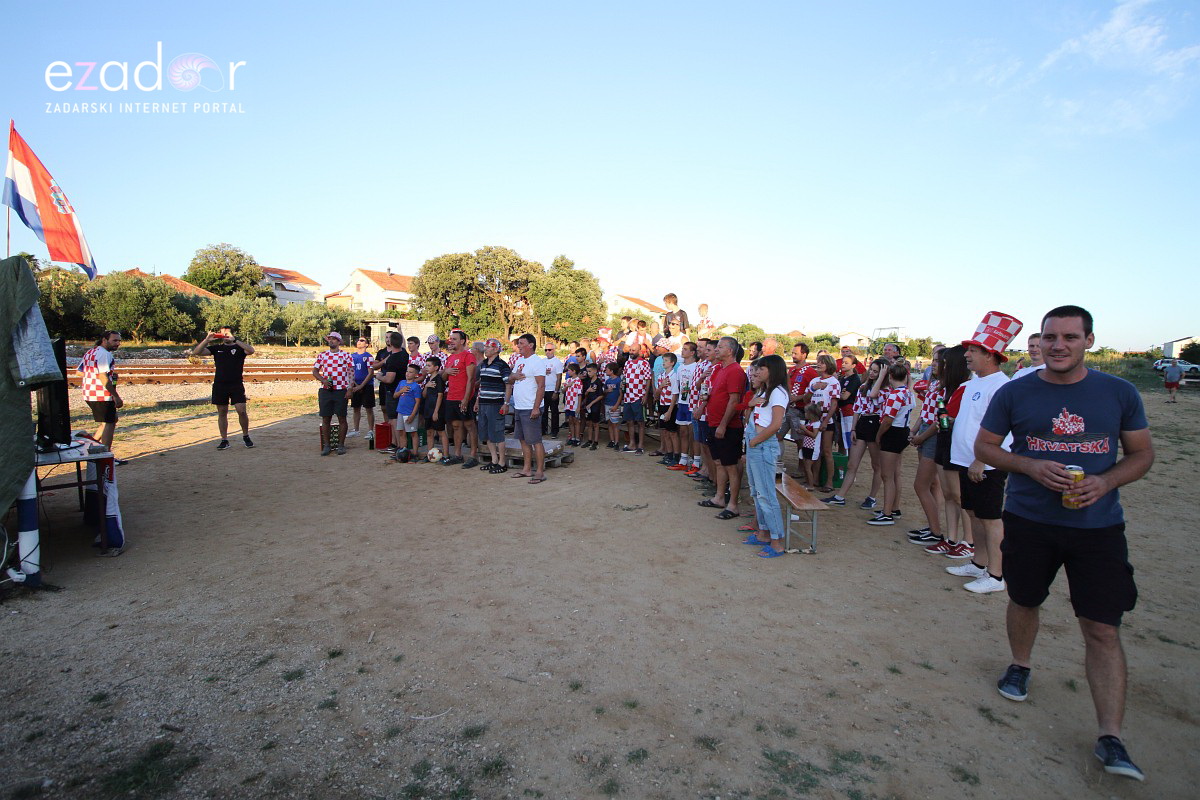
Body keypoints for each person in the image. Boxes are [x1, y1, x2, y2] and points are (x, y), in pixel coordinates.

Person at [976, 305, 1153, 781]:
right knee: (1024, 599)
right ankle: (1020, 664)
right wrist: (1030, 465)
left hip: (1098, 527)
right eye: (1050, 337)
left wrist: (1106, 481)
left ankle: (1111, 736)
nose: (1059, 346)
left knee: (1102, 627)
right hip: (1030, 520)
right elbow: (985, 447)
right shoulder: (1015, 392)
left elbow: (1142, 454)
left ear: (1088, 341)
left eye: (1070, 337)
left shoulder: (1119, 392)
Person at [948, 312, 1019, 593]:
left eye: (974, 351)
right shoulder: (973, 383)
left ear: (990, 355)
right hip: (966, 461)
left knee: (990, 519)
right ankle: (978, 563)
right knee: (974, 513)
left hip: (986, 465)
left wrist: (981, 459)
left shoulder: (1002, 386)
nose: (967, 355)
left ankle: (996, 575)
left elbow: (1005, 431)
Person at [743, 355, 789, 557]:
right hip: (756, 443)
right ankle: (763, 532)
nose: (758, 372)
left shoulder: (777, 393)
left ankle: (776, 541)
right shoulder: (764, 390)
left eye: (762, 368)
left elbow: (776, 424)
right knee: (756, 491)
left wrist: (755, 441)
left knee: (766, 494)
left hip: (762, 445)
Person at [823, 359, 885, 508]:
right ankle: (840, 496)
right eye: (871, 370)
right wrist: (853, 428)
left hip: (876, 424)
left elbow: (875, 399)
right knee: (852, 464)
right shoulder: (863, 386)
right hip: (863, 423)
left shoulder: (885, 389)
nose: (872, 373)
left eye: (876, 371)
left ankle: (872, 497)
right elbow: (857, 408)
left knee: (876, 465)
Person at [699, 336, 748, 519]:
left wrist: (723, 424)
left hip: (728, 426)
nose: (716, 349)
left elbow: (734, 400)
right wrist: (702, 407)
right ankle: (719, 497)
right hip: (713, 421)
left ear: (730, 350)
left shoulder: (735, 371)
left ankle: (733, 504)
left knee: (731, 465)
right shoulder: (719, 368)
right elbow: (710, 392)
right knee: (719, 462)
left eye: (720, 347)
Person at [193, 325, 255, 450]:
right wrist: (207, 340)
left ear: (232, 334)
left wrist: (235, 340)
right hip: (220, 385)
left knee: (241, 411)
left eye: (227, 334)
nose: (225, 336)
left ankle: (246, 436)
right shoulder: (217, 348)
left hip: (236, 384)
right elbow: (196, 352)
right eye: (222, 334)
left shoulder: (239, 347)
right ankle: (224, 440)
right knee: (222, 412)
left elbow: (251, 350)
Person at [866, 363, 913, 526]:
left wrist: (879, 435)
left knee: (887, 475)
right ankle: (894, 508)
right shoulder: (907, 393)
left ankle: (887, 513)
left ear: (890, 376)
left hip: (893, 433)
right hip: (903, 430)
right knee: (894, 474)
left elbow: (888, 420)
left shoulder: (895, 394)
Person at [506, 333, 547, 483]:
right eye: (518, 343)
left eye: (522, 343)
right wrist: (514, 376)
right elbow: (510, 379)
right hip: (519, 406)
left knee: (536, 440)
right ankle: (527, 469)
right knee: (523, 440)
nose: (519, 346)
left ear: (531, 345)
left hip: (530, 407)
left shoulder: (537, 362)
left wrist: (536, 408)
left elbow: (541, 386)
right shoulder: (519, 360)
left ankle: (540, 472)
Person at [79, 330, 124, 455]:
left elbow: (80, 372)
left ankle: (93, 445)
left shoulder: (91, 352)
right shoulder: (105, 354)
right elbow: (102, 377)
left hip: (89, 393)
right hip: (101, 394)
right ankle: (105, 455)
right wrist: (116, 396)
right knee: (109, 424)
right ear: (104, 340)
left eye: (119, 341)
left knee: (110, 420)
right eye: (114, 340)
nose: (118, 343)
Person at [313, 332, 354, 456]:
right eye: (330, 339)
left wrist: (350, 388)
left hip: (341, 390)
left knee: (342, 417)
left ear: (339, 342)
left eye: (334, 339)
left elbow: (351, 373)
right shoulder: (323, 355)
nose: (331, 341)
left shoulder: (346, 355)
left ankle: (341, 445)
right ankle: (327, 445)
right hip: (326, 390)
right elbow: (315, 371)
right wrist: (323, 380)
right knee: (326, 418)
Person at [474, 338, 511, 473]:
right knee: (487, 434)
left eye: (488, 347)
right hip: (483, 402)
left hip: (496, 404)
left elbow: (508, 385)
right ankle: (494, 460)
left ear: (496, 349)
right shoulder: (483, 364)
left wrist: (506, 403)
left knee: (498, 433)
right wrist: (477, 401)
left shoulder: (502, 365)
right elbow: (482, 385)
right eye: (485, 346)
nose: (486, 349)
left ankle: (502, 463)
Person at [441, 330, 477, 466]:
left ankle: (473, 456)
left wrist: (466, 399)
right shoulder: (450, 358)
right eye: (450, 339)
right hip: (451, 396)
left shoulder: (468, 356)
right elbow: (444, 378)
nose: (451, 341)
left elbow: (471, 379)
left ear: (462, 341)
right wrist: (446, 371)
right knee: (455, 425)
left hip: (464, 396)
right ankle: (458, 454)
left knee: (469, 425)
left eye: (454, 339)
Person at [808, 354, 841, 492]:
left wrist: (826, 421)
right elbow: (807, 398)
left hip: (826, 418)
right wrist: (813, 388)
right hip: (814, 418)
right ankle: (815, 479)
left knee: (827, 451)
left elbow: (834, 404)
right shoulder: (814, 381)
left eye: (822, 362)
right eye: (818, 362)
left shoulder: (834, 382)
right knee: (816, 450)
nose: (819, 364)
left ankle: (829, 482)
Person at [618, 345, 652, 454]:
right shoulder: (627, 363)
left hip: (639, 396)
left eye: (633, 350)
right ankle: (632, 443)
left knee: (640, 422)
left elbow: (648, 379)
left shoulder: (644, 363)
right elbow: (625, 377)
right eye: (630, 350)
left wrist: (645, 395)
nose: (631, 352)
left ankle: (640, 445)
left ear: (639, 351)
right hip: (628, 396)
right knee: (629, 421)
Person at [391, 363, 423, 459]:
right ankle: (403, 451)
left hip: (410, 412)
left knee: (413, 433)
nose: (407, 374)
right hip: (401, 411)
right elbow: (395, 395)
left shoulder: (416, 387)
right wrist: (401, 391)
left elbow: (417, 402)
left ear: (416, 375)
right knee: (401, 432)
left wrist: (413, 415)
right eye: (407, 371)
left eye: (411, 372)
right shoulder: (401, 383)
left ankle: (415, 453)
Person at [347, 336, 376, 438]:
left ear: (366, 344)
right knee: (356, 408)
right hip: (355, 385)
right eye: (358, 340)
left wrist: (362, 385)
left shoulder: (369, 356)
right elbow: (349, 371)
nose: (359, 342)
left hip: (367, 385)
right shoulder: (352, 356)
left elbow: (370, 373)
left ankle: (370, 430)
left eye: (362, 340)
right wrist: (355, 384)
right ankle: (356, 429)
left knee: (369, 408)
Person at [420, 356, 448, 458]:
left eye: (429, 366)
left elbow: (440, 395)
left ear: (436, 367)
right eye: (426, 365)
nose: (426, 367)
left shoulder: (439, 379)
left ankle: (446, 455)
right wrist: (426, 386)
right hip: (428, 409)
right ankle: (430, 455)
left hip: (437, 410)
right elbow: (424, 395)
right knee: (429, 432)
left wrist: (436, 411)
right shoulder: (428, 379)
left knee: (441, 432)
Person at [581, 362, 605, 450]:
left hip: (595, 406)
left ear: (595, 371)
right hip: (588, 405)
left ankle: (596, 441)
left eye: (590, 371)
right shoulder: (588, 382)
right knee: (589, 423)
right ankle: (589, 440)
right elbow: (585, 394)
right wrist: (587, 391)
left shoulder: (598, 382)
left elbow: (601, 395)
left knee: (595, 424)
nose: (588, 373)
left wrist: (592, 403)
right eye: (587, 371)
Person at [541, 342, 563, 438]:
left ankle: (554, 431)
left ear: (554, 350)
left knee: (554, 411)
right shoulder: (542, 361)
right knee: (543, 411)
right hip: (543, 389)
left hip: (552, 389)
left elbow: (559, 378)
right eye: (546, 350)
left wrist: (556, 391)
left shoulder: (557, 362)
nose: (547, 352)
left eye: (549, 350)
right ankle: (543, 429)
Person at [602, 362, 622, 448]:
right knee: (609, 423)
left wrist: (616, 405)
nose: (605, 371)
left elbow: (621, 394)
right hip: (607, 403)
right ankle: (612, 440)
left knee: (615, 424)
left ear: (612, 371)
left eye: (607, 370)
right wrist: (607, 390)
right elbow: (604, 391)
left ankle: (616, 442)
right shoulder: (608, 381)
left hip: (614, 404)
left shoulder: (618, 380)